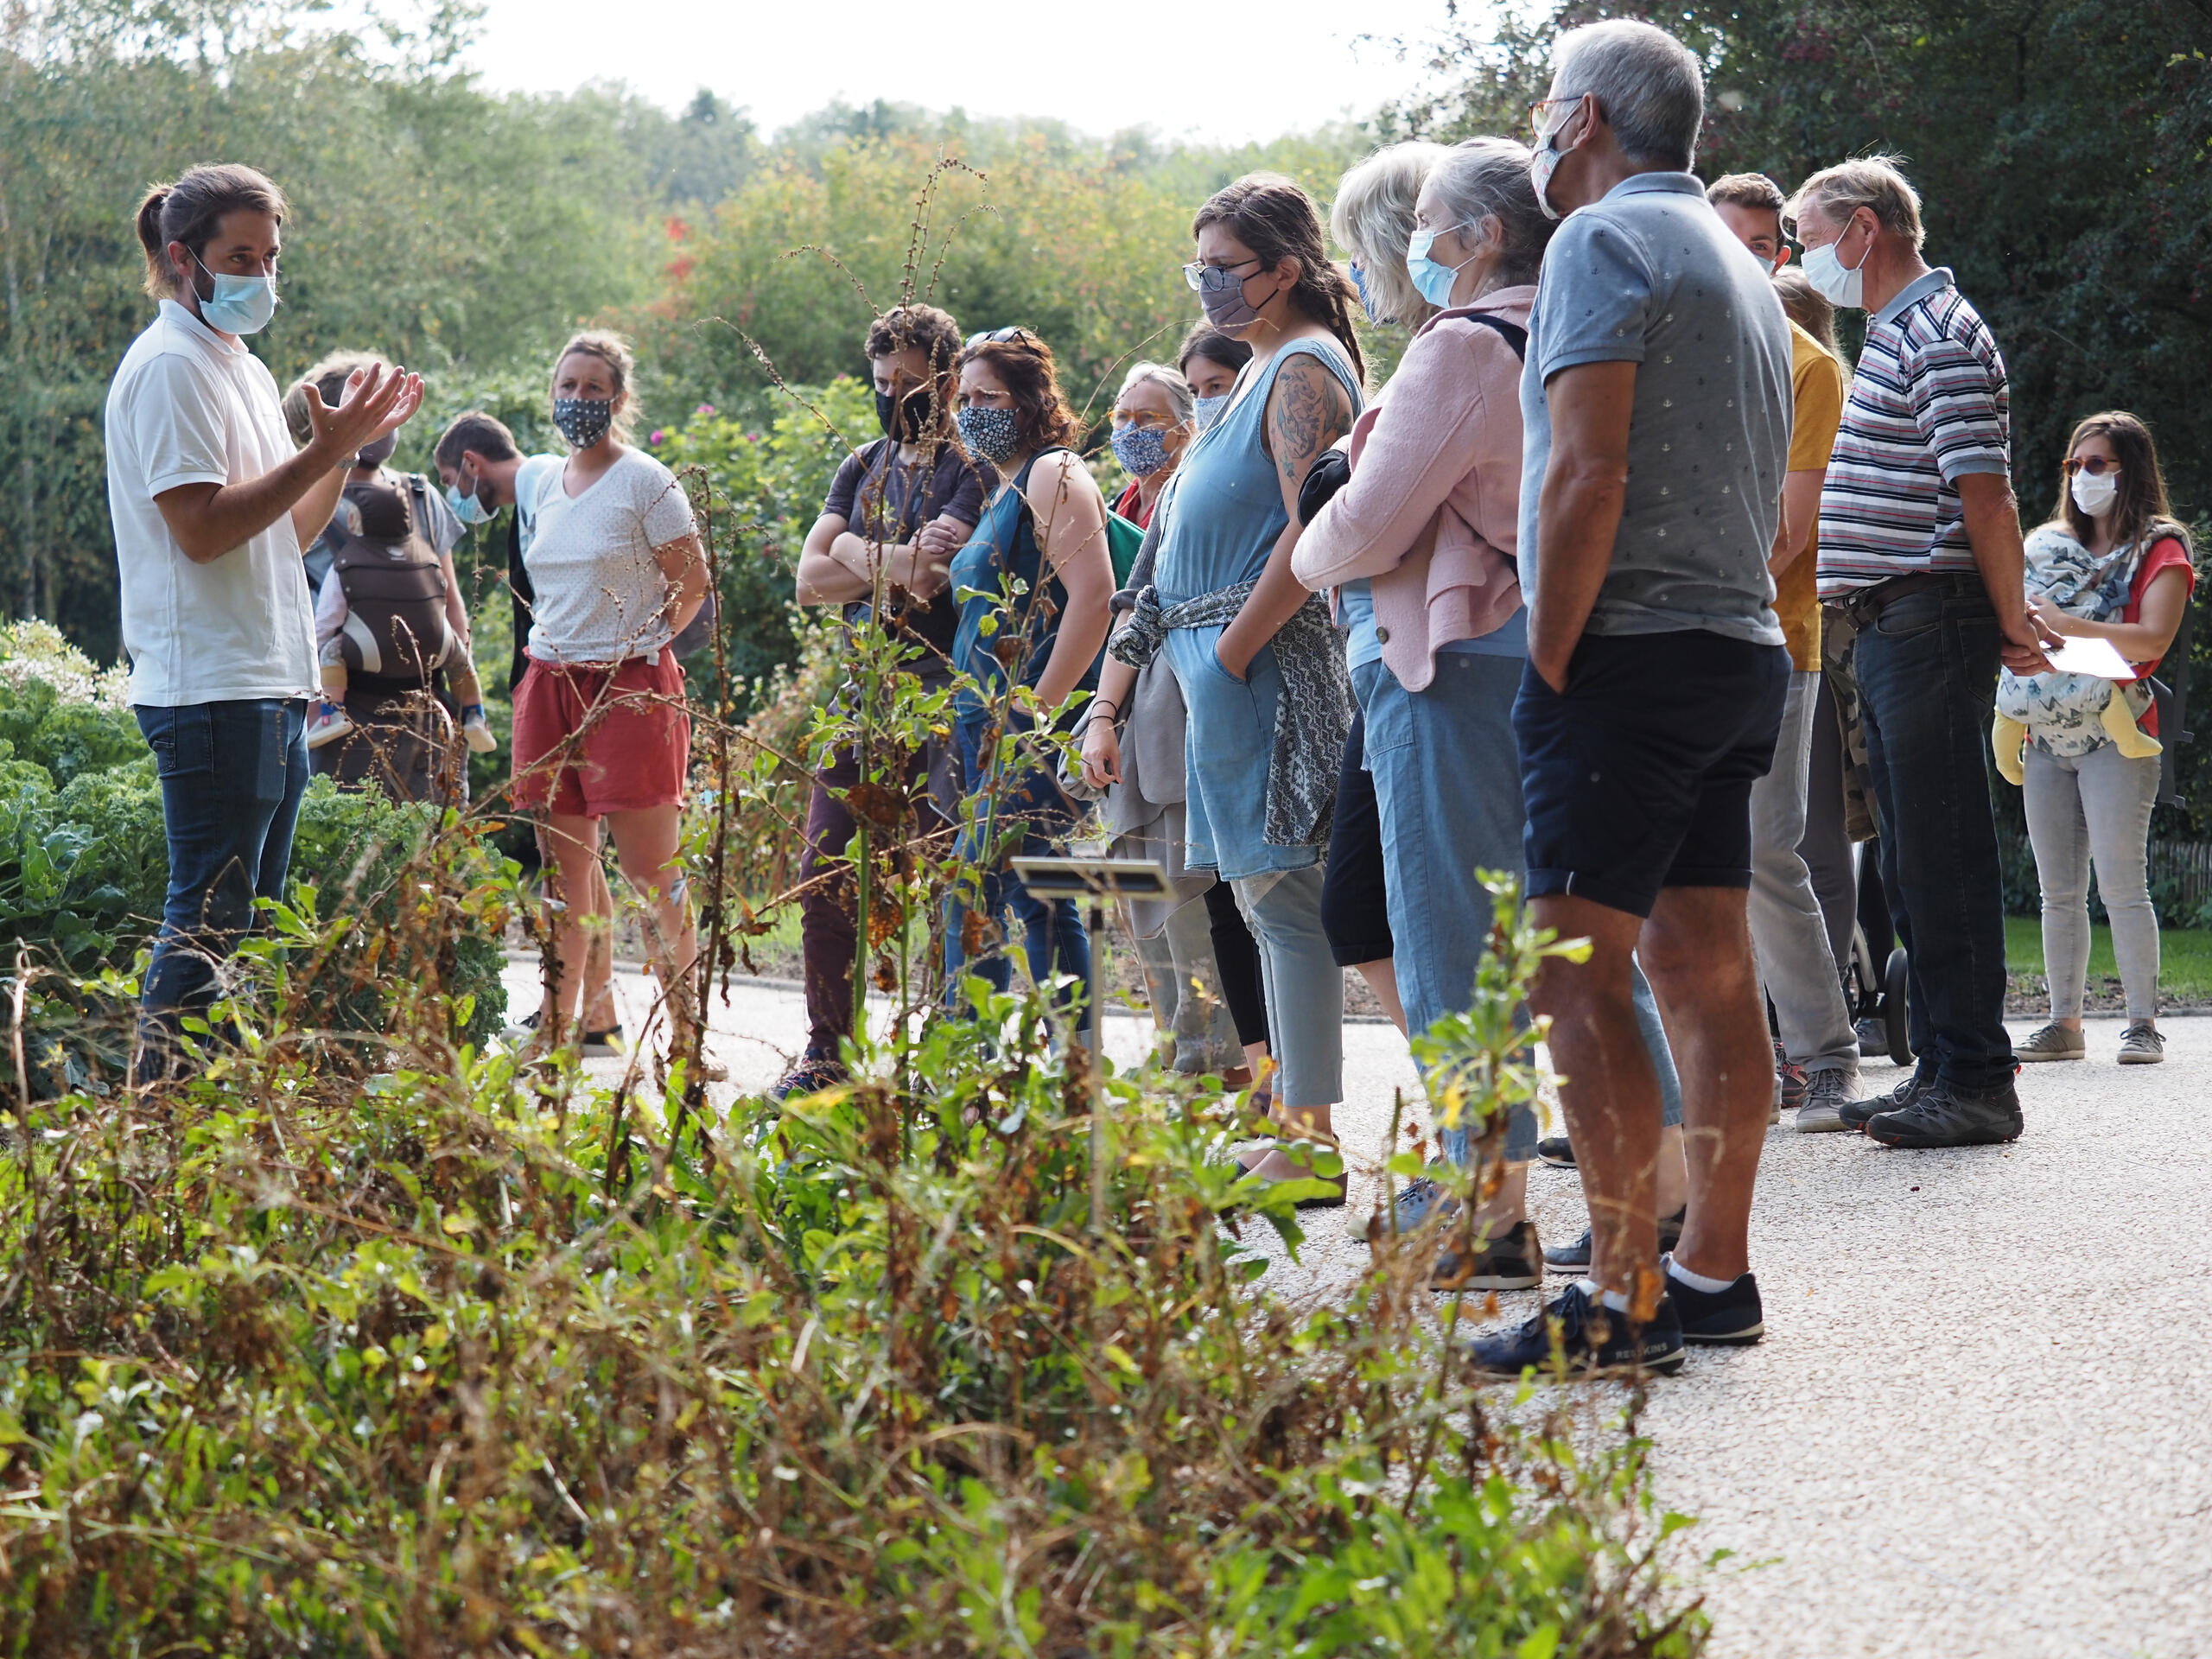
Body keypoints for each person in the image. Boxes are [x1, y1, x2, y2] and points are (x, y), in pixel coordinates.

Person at [1469, 21, 1795, 1376]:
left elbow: (1585, 468)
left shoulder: (1603, 241)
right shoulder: (1739, 260)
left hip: (1627, 652)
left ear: (1587, 115)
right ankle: (1710, 1273)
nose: (1540, 129)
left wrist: (1552, 650)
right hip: (1733, 646)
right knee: (1706, 968)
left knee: (1572, 968)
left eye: (1548, 106)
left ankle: (1618, 1298)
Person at [105, 163, 421, 1073]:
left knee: (247, 929)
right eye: (240, 257)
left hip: (270, 684)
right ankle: (156, 1128)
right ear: (183, 258)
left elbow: (288, 532)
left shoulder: (238, 364)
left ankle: (215, 1122)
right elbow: (202, 531)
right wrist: (322, 448)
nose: (261, 275)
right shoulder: (171, 368)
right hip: (213, 686)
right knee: (208, 924)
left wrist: (339, 453)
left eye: (271, 257)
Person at [1090, 175, 1364, 1201]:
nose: (1206, 284)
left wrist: (1234, 653)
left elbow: (1311, 531)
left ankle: (1311, 1142)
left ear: (1283, 270)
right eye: (1196, 266)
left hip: (1256, 666)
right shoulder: (1251, 372)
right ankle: (1294, 1124)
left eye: (1223, 266)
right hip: (1210, 671)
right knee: (1258, 904)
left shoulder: (1303, 367)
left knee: (1284, 903)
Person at [1788, 156, 2056, 1147]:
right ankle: (1942, 1064)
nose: (1802, 258)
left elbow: (1984, 493)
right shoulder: (1898, 332)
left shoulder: (1936, 333)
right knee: (1908, 856)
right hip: (1891, 621)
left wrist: (2013, 616)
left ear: (1864, 229)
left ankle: (1978, 1079)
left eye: (1809, 236)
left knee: (1940, 851)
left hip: (1927, 614)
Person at [781, 305, 984, 1096]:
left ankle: (944, 1053)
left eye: (907, 381)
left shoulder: (968, 468)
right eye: (881, 381)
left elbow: (929, 581)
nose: (892, 395)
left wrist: (848, 549)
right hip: (862, 688)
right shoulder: (862, 464)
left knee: (945, 874)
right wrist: (888, 559)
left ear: (945, 380)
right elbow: (808, 582)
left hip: (940, 693)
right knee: (824, 869)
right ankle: (826, 1052)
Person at [1706, 174, 1864, 1130]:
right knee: (1667, 865)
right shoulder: (1660, 347)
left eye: (1762, 245)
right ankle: (1707, 1073)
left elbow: (1789, 532)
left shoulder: (1808, 366)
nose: (1743, 259)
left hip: (1771, 636)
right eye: (1726, 239)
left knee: (1766, 851)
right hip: (1666, 633)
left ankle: (1826, 1056)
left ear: (1778, 257)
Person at [508, 332, 711, 1057]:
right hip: (548, 683)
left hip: (629, 690)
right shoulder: (542, 483)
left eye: (594, 388)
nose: (579, 400)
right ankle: (556, 1032)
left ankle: (687, 1043)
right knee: (563, 880)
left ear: (619, 399)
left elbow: (693, 584)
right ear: (552, 394)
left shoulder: (645, 479)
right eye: (568, 386)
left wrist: (641, 647)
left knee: (653, 876)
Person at [1997, 413, 2196, 1064]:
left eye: (2096, 464)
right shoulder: (2047, 547)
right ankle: (2065, 1025)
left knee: (2121, 885)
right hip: (2047, 733)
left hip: (2118, 733)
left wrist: (2064, 625)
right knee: (2057, 892)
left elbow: (2153, 638)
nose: (2082, 476)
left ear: (2129, 469)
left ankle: (2142, 1024)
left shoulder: (2162, 548)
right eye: (2074, 465)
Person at [435, 410, 626, 1054]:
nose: (459, 497)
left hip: (562, 691)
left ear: (471, 464)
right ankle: (596, 1012)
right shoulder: (530, 500)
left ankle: (562, 1013)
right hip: (549, 690)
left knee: (561, 861)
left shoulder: (543, 483)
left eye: (453, 481)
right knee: (576, 859)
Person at [941, 328, 1116, 1024]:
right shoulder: (1002, 489)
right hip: (985, 727)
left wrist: (1035, 712)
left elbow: (1096, 598)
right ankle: (1074, 1065)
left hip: (1029, 726)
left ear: (1031, 400)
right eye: (963, 399)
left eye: (988, 397)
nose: (972, 412)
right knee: (1035, 891)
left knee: (971, 886)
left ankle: (965, 1057)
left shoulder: (1052, 472)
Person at [280, 360, 496, 793]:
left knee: (343, 826)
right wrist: (460, 695)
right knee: (429, 829)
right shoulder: (419, 494)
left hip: (338, 709)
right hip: (426, 702)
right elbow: (452, 607)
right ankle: (476, 716)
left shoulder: (298, 495)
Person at [1770, 268, 1866, 999]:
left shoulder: (1819, 384)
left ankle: (1826, 1007)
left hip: (1815, 643)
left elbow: (1794, 532)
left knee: (1814, 839)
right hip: (1772, 633)